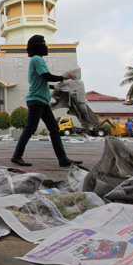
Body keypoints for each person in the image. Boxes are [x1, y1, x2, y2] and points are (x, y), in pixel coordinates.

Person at [11, 35, 83, 168]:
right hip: (37, 100)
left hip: (41, 100)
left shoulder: (37, 60)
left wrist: (56, 86)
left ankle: (63, 159)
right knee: (30, 128)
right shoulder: (37, 59)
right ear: (38, 46)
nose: (46, 46)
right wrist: (63, 76)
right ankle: (17, 156)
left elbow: (42, 81)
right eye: (43, 44)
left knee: (54, 129)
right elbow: (47, 76)